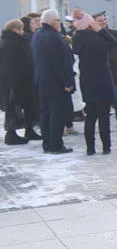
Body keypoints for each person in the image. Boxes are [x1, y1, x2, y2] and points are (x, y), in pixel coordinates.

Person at [71, 10, 117, 155]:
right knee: (104, 116)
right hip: (102, 81)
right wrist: (102, 31)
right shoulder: (96, 40)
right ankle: (106, 147)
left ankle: (90, 148)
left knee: (90, 117)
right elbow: (114, 43)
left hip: (87, 81)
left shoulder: (78, 39)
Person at [30, 9, 75, 154]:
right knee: (57, 114)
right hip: (55, 82)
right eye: (58, 21)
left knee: (45, 113)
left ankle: (47, 143)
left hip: (42, 81)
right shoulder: (54, 37)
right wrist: (68, 82)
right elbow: (60, 62)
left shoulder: (37, 35)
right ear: (52, 21)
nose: (59, 24)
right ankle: (56, 145)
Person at [1, 19, 36, 145]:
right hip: (15, 82)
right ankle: (11, 134)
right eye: (21, 29)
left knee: (20, 107)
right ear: (15, 29)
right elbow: (13, 66)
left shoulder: (10, 42)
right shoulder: (11, 43)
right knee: (13, 108)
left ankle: (25, 131)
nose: (22, 32)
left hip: (16, 81)